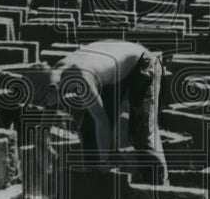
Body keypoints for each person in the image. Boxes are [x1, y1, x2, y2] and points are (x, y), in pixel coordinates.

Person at [34, 40, 168, 183]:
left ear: (51, 90)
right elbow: (51, 104)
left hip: (143, 63)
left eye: (43, 102)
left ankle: (158, 187)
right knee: (88, 129)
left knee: (141, 132)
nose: (44, 106)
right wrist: (43, 134)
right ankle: (96, 182)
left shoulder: (81, 77)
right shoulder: (56, 72)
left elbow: (102, 122)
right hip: (114, 69)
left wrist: (105, 161)